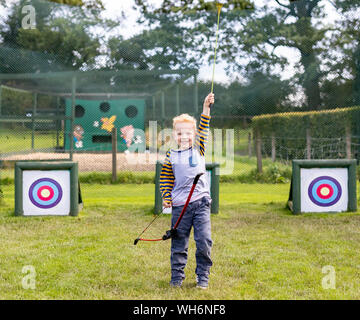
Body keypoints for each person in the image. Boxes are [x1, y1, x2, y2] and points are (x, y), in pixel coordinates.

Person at [159, 93, 214, 289]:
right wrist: (166, 197)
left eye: (188, 133)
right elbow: (165, 178)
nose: (184, 136)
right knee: (179, 244)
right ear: (174, 135)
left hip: (201, 204)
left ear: (194, 135)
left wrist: (205, 107)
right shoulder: (171, 155)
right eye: (180, 133)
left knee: (204, 241)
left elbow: (204, 126)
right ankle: (176, 278)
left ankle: (203, 277)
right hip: (180, 207)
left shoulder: (199, 148)